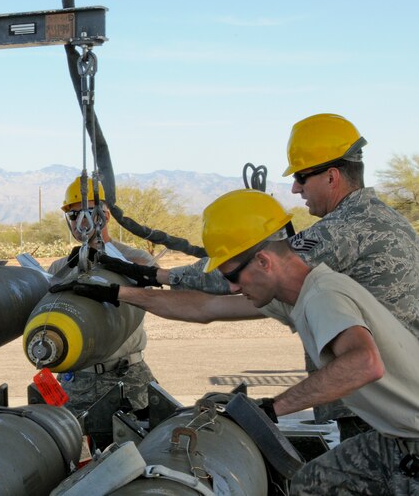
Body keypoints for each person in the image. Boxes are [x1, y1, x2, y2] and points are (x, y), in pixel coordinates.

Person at [54, 189, 419, 494]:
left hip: (413, 442)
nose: (231, 287)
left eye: (232, 274)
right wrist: (120, 291)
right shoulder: (297, 294)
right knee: (310, 482)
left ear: (263, 261)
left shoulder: (323, 296)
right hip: (394, 435)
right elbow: (205, 307)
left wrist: (270, 410)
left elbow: (363, 363)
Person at [113, 113, 419, 438]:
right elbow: (212, 307)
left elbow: (244, 271)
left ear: (332, 177)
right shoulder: (383, 218)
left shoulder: (342, 232)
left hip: (384, 400)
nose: (295, 187)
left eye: (302, 176)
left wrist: (155, 274)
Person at [47, 176, 156, 416]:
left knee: (137, 446)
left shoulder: (135, 260)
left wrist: (109, 261)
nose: (79, 221)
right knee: (69, 447)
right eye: (73, 215)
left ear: (105, 216)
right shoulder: (59, 269)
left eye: (87, 212)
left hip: (127, 379)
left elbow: (146, 288)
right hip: (76, 380)